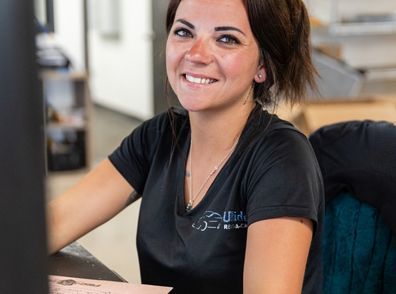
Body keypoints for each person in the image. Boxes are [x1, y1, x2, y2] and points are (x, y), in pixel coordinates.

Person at [47, 0, 324, 293]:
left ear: (263, 66)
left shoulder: (282, 159)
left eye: (226, 39)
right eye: (184, 32)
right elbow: (57, 222)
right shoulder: (159, 136)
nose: (195, 54)